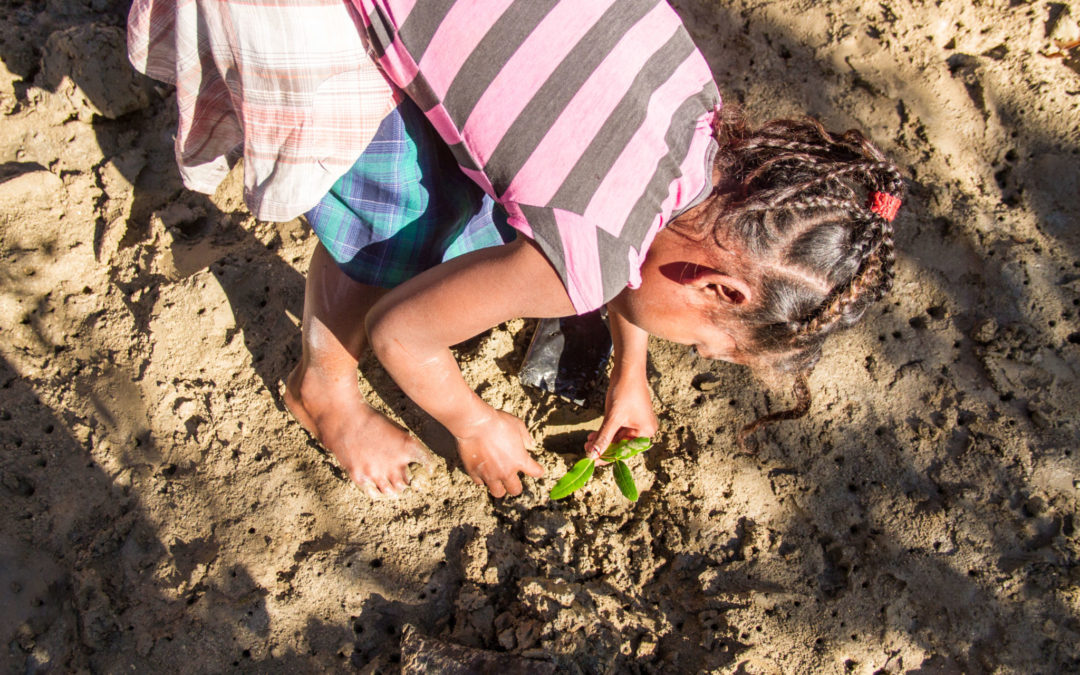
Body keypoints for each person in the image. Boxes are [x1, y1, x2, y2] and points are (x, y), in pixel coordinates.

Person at [128, 0, 903, 500]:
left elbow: (639, 250)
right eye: (705, 345)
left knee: (485, 203)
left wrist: (631, 370)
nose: (693, 352)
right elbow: (403, 331)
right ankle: (323, 389)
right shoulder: (587, 261)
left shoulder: (697, 110)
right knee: (388, 223)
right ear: (720, 291)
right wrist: (473, 422)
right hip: (328, 17)